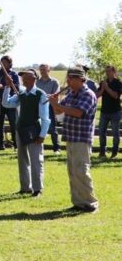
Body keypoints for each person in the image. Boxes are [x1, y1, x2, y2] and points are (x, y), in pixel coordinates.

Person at [48, 68, 99, 212]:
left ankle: (90, 202)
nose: (68, 81)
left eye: (70, 79)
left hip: (82, 139)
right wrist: (54, 102)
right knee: (73, 171)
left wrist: (59, 106)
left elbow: (78, 112)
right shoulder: (71, 94)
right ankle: (78, 202)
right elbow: (59, 111)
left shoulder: (88, 94)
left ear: (79, 79)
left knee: (81, 170)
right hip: (71, 138)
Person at [2, 69, 50, 197]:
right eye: (23, 78)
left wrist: (42, 135)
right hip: (21, 129)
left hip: (34, 130)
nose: (23, 80)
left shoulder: (41, 94)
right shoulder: (21, 93)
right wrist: (7, 87)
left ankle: (37, 189)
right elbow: (6, 104)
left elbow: (45, 118)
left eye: (27, 77)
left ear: (34, 79)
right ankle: (25, 187)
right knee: (22, 160)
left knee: (36, 160)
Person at [0, 56, 19, 150]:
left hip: (11, 102)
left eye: (5, 62)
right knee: (0, 124)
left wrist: (4, 86)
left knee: (13, 124)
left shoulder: (13, 74)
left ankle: (16, 144)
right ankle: (0, 144)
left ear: (10, 63)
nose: (3, 64)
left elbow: (16, 87)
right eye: (2, 62)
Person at [96, 65, 121, 158]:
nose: (107, 73)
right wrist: (102, 88)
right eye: (106, 71)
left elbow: (116, 96)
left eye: (109, 71)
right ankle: (102, 152)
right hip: (104, 112)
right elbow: (96, 96)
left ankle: (114, 152)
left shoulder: (118, 83)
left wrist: (106, 88)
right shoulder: (103, 83)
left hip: (115, 112)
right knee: (101, 132)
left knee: (115, 133)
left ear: (114, 72)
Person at [36, 64, 61, 154]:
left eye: (44, 70)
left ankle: (56, 148)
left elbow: (56, 95)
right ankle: (39, 146)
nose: (42, 71)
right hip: (39, 106)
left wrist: (51, 96)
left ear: (49, 70)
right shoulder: (37, 82)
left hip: (50, 106)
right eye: (41, 70)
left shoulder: (54, 82)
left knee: (52, 127)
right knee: (38, 126)